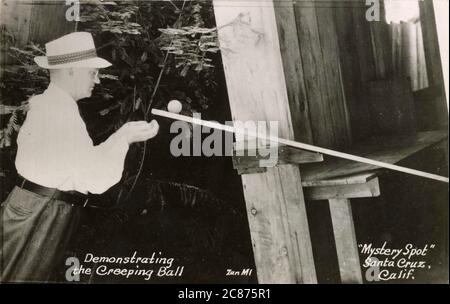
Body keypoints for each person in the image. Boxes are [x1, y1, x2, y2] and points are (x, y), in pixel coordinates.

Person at [0, 32, 159, 283]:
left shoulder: (53, 105)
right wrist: (124, 138)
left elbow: (80, 162)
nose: (97, 80)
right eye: (91, 72)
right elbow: (91, 177)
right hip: (40, 214)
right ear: (72, 71)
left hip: (35, 207)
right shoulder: (59, 111)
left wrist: (122, 136)